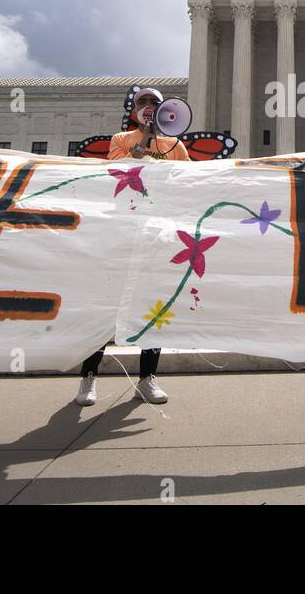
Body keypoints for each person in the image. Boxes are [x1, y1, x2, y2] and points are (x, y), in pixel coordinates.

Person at [75, 87, 187, 407]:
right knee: (106, 305)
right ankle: (89, 377)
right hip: (121, 232)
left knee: (154, 308)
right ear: (134, 110)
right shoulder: (120, 140)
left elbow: (187, 183)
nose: (150, 106)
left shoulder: (176, 145)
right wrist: (145, 141)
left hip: (157, 234)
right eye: (143, 102)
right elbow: (117, 173)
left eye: (155, 102)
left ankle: (147, 377)